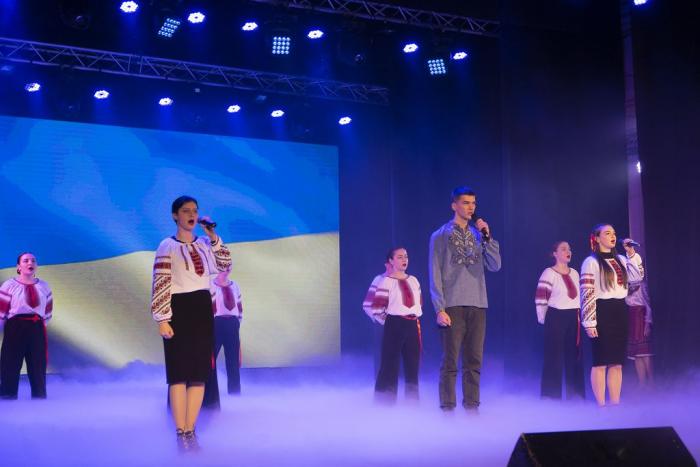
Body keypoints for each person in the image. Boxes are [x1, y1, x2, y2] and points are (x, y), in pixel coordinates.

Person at [151, 195, 232, 450]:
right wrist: (162, 318)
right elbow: (161, 282)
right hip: (178, 308)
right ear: (175, 215)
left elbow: (225, 264)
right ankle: (180, 433)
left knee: (198, 374)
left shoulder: (206, 244)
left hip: (201, 308)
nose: (192, 215)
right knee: (178, 374)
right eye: (186, 211)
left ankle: (190, 431)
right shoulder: (167, 246)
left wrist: (213, 236)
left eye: (195, 211)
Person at [429, 186, 501, 411]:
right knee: (450, 361)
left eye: (474, 203)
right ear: (454, 205)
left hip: (478, 304)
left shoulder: (479, 235)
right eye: (466, 203)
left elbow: (495, 265)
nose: (471, 207)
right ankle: (448, 408)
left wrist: (488, 237)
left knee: (474, 361)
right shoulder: (440, 235)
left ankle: (472, 406)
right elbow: (434, 272)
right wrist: (439, 308)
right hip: (452, 305)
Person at [580, 224, 641, 406]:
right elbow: (587, 293)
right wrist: (589, 322)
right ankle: (601, 405)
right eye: (607, 233)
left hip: (620, 310)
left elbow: (637, 278)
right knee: (601, 361)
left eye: (614, 233)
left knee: (617, 361)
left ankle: (615, 404)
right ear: (597, 238)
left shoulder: (621, 259)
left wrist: (631, 254)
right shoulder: (591, 262)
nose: (612, 236)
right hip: (602, 311)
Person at [363, 247, 422, 402]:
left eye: (406, 256)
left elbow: (419, 304)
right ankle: (385, 403)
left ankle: (412, 403)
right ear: (391, 261)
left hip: (412, 324)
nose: (404, 260)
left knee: (413, 365)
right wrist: (389, 321)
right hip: (395, 323)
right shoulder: (385, 281)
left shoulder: (414, 280)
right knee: (390, 365)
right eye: (400, 257)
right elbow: (376, 308)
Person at [535, 241, 585, 400]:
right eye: (563, 249)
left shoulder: (575, 273)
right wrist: (544, 319)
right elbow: (541, 298)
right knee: (554, 357)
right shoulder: (549, 273)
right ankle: (551, 397)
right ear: (554, 254)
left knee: (575, 356)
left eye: (569, 249)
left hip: (573, 316)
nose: (568, 251)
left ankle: (575, 396)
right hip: (555, 316)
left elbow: (580, 297)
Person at [0, 253, 53, 399]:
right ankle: (8, 397)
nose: (30, 263)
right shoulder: (9, 285)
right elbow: (1, 311)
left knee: (38, 365)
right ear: (19, 267)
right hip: (15, 327)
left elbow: (48, 312)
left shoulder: (44, 286)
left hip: (36, 327)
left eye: (33, 260)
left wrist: (37, 326)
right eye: (26, 261)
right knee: (10, 364)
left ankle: (39, 398)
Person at [622, 239, 653, 387]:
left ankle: (651, 383)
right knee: (636, 354)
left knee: (645, 353)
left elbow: (648, 305)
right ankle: (642, 384)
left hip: (641, 316)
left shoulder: (641, 285)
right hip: (632, 317)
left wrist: (647, 322)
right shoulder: (625, 287)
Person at [210, 267, 243, 395]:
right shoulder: (210, 285)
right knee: (210, 360)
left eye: (229, 265)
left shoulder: (235, 285)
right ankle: (209, 395)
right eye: (224, 265)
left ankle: (235, 394)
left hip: (232, 324)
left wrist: (237, 322)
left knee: (233, 361)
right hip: (216, 323)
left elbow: (239, 306)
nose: (227, 268)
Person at [362, 259, 393, 373]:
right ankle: (380, 380)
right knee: (381, 353)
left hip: (398, 323)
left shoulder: (400, 280)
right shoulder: (379, 279)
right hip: (382, 324)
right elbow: (367, 305)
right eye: (391, 265)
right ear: (386, 264)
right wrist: (378, 319)